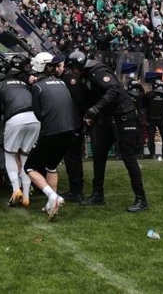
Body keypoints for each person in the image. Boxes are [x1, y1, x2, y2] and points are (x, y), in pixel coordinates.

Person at [80, 58, 148, 213]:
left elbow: (113, 89)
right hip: (109, 118)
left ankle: (141, 198)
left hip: (123, 117)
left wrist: (96, 109)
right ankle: (98, 194)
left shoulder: (99, 73)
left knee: (128, 157)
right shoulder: (90, 76)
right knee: (99, 155)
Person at [26, 52, 76, 220]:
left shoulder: (37, 87)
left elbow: (38, 114)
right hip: (69, 130)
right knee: (52, 166)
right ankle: (51, 205)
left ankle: (52, 196)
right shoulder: (62, 83)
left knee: (29, 167)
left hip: (51, 131)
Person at [0, 52, 39, 207]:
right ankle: (26, 195)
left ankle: (15, 189)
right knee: (25, 157)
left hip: (15, 118)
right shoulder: (24, 84)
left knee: (10, 155)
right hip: (34, 118)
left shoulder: (0, 86)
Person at [60, 50, 90, 201]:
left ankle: (76, 190)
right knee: (73, 158)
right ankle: (76, 189)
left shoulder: (72, 81)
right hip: (75, 122)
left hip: (73, 124)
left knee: (73, 158)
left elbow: (79, 103)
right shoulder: (75, 80)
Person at [143, 78, 163, 158]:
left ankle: (152, 154)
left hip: (151, 118)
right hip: (162, 117)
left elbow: (145, 105)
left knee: (151, 136)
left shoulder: (149, 94)